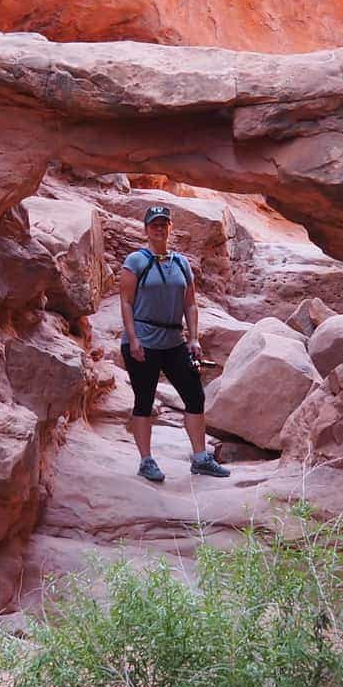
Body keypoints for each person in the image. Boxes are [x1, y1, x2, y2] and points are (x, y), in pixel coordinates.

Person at [119, 204, 229, 483]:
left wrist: (193, 338)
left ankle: (201, 458)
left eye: (163, 223)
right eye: (154, 224)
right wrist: (132, 338)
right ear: (146, 229)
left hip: (173, 341)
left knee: (195, 396)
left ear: (170, 228)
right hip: (143, 341)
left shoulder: (181, 263)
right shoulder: (136, 261)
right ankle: (146, 461)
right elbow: (126, 302)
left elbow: (190, 304)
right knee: (144, 400)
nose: (159, 228)